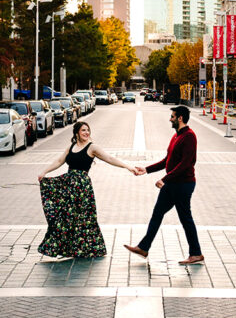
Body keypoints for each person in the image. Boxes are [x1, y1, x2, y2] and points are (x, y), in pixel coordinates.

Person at [37, 120, 142, 258]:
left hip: (82, 188)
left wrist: (129, 167)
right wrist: (44, 172)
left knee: (85, 219)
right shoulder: (72, 147)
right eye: (83, 130)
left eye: (88, 130)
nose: (86, 133)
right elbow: (59, 161)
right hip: (68, 187)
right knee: (66, 218)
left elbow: (110, 158)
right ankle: (70, 249)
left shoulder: (92, 148)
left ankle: (90, 248)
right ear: (76, 133)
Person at [125, 105, 204, 265]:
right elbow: (166, 161)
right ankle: (143, 247)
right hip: (173, 184)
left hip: (183, 184)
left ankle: (196, 253)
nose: (170, 119)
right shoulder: (176, 136)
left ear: (180, 118)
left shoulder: (189, 136)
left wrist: (165, 179)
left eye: (173, 116)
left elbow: (185, 164)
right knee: (157, 214)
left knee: (185, 218)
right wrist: (146, 169)